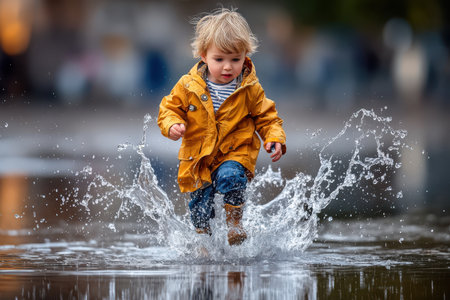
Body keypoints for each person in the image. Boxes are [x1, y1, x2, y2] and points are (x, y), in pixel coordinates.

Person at [157, 8, 286, 246]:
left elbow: (267, 117)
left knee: (232, 178)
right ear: (204, 55)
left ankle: (235, 224)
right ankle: (203, 246)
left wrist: (274, 137)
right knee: (200, 208)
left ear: (245, 56)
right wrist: (173, 123)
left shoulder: (249, 88)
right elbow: (169, 108)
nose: (228, 67)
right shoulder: (188, 85)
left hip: (235, 151)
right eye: (220, 59)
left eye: (235, 60)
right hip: (198, 158)